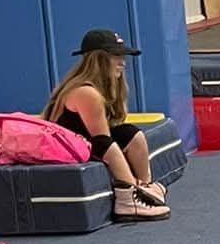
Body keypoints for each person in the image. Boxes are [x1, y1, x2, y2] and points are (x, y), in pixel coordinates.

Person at [44, 29, 169, 221]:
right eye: (116, 57)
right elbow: (102, 142)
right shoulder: (86, 92)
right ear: (99, 60)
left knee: (132, 134)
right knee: (106, 142)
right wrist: (129, 181)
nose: (123, 63)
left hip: (81, 143)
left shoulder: (96, 88)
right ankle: (129, 199)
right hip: (66, 151)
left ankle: (145, 186)